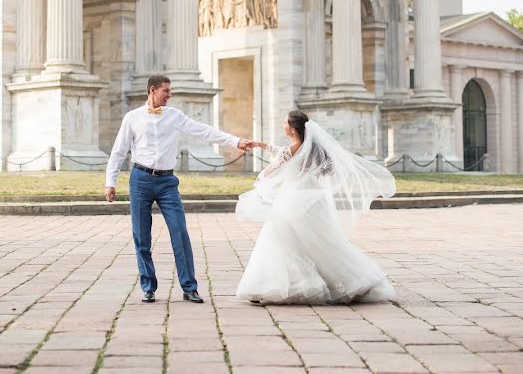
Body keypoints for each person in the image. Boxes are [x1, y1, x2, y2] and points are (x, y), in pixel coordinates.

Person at [105, 75, 254, 304]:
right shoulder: (132, 118)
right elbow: (118, 151)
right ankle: (148, 287)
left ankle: (189, 287)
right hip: (140, 181)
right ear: (152, 91)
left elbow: (203, 131)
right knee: (141, 236)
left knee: (180, 233)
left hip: (167, 183)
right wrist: (110, 182)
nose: (169, 94)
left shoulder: (175, 116)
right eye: (166, 90)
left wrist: (235, 141)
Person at [235, 110, 396, 305]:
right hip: (314, 203)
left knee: (280, 240)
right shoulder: (314, 149)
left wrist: (259, 180)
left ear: (293, 129)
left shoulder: (290, 150)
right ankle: (355, 280)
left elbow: (270, 171)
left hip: (292, 201)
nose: (282, 125)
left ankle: (273, 286)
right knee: (324, 243)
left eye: (285, 123)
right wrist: (263, 145)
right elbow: (286, 152)